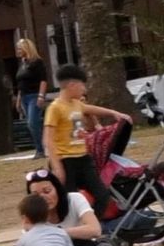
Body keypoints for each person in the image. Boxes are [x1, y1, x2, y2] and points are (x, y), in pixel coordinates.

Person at [43, 64, 132, 218]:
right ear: (72, 85)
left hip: (83, 159)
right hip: (66, 161)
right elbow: (48, 139)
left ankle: (94, 228)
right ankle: (73, 233)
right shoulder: (55, 108)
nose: (84, 89)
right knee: (69, 202)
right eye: (82, 85)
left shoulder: (76, 104)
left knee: (103, 196)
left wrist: (115, 113)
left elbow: (91, 109)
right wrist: (57, 167)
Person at [15, 38, 49, 159]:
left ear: (26, 48)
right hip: (24, 96)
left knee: (33, 122)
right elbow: (20, 83)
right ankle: (39, 148)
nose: (18, 51)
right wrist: (18, 99)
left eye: (19, 48)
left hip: (34, 96)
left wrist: (41, 95)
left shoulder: (37, 62)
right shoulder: (22, 64)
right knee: (30, 124)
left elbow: (43, 80)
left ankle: (41, 149)